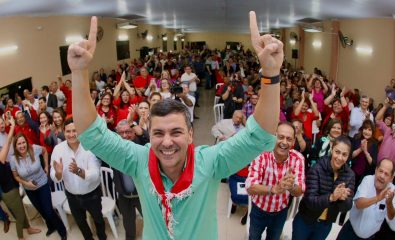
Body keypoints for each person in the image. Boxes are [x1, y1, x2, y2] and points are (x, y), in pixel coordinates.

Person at [68, 11, 282, 239]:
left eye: (176, 132)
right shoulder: (138, 160)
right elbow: (92, 134)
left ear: (191, 135)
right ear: (149, 135)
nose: (167, 141)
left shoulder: (210, 163)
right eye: (158, 133)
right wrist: (79, 72)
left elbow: (259, 135)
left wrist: (270, 73)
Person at [246, 122, 305, 240]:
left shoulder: (298, 159)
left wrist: (291, 186)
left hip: (281, 212)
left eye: (289, 139)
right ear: (274, 137)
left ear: (293, 142)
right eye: (281, 137)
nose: (284, 142)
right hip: (259, 210)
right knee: (253, 237)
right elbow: (250, 187)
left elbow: (299, 191)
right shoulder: (261, 154)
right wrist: (273, 189)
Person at [50, 119, 105, 240]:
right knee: (81, 223)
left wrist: (79, 171)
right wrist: (58, 174)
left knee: (98, 220)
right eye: (68, 131)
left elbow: (96, 174)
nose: (71, 134)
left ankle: (102, 237)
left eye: (74, 131)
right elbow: (53, 174)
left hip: (92, 195)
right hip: (71, 196)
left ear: (80, 131)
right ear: (63, 132)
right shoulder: (58, 149)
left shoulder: (89, 147)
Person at [292, 136, 355, 240]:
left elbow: (347, 207)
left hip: (325, 225)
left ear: (348, 156)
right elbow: (310, 200)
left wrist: (343, 199)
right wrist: (331, 197)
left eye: (344, 155)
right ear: (331, 147)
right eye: (337, 152)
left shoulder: (350, 175)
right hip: (305, 221)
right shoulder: (317, 168)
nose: (340, 158)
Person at [10, 133, 67, 240]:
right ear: (15, 146)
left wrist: (46, 165)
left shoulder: (34, 149)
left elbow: (45, 151)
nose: (22, 146)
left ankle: (62, 230)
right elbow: (16, 176)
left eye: (23, 142)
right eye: (19, 144)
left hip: (42, 184)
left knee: (49, 211)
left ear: (26, 143)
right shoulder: (13, 159)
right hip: (29, 189)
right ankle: (51, 227)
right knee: (41, 210)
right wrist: (26, 183)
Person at [0, 117, 41, 240]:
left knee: (21, 210)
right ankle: (20, 237)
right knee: (19, 216)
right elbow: (7, 145)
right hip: (9, 192)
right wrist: (12, 126)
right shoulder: (0, 159)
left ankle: (28, 228)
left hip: (12, 186)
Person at [337, 159, 395, 240]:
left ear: (391, 178)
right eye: (380, 171)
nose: (382, 176)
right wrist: (378, 198)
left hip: (369, 237)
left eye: (386, 174)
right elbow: (359, 204)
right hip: (350, 233)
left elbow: (391, 217)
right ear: (376, 170)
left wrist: (389, 203)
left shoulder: (392, 190)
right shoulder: (368, 180)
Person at [114, 120, 144, 240]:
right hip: (124, 197)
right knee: (128, 226)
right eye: (121, 133)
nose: (125, 135)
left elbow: (145, 139)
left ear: (133, 133)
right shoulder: (114, 151)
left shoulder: (139, 148)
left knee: (151, 221)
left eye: (128, 132)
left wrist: (140, 131)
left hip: (141, 195)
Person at [351, 119, 378, 188]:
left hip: (364, 175)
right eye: (365, 129)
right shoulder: (356, 137)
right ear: (362, 129)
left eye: (370, 130)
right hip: (352, 171)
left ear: (372, 132)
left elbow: (372, 163)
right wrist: (360, 149)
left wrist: (365, 152)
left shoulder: (374, 143)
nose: (367, 132)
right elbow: (350, 156)